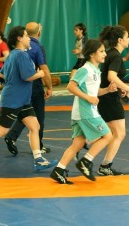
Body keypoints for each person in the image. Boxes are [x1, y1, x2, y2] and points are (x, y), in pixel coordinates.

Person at [0, 26, 57, 175]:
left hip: (22, 99)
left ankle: (39, 159)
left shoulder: (11, 55)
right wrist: (40, 73)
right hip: (13, 100)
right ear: (19, 39)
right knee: (1, 131)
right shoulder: (22, 56)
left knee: (34, 126)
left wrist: (15, 80)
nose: (29, 39)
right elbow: (27, 77)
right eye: (26, 36)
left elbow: (2, 75)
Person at [50, 39, 116, 184]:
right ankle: (86, 161)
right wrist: (88, 98)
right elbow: (70, 86)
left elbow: (93, 92)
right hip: (86, 112)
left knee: (78, 144)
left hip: (82, 112)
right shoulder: (85, 69)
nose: (105, 54)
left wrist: (107, 90)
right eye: (102, 51)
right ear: (92, 54)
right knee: (108, 135)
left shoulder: (95, 70)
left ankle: (59, 170)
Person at [96, 25, 129, 176]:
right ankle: (104, 165)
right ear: (121, 40)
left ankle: (84, 147)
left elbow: (111, 80)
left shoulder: (112, 54)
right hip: (109, 99)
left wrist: (121, 89)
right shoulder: (115, 56)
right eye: (127, 37)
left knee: (108, 133)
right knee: (119, 134)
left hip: (107, 97)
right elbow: (111, 77)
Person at [4, 22, 53, 154]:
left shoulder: (16, 50)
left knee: (26, 113)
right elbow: (44, 69)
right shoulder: (36, 47)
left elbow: (4, 71)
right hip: (34, 84)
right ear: (39, 33)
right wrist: (49, 86)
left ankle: (11, 136)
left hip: (20, 87)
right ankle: (39, 146)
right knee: (38, 116)